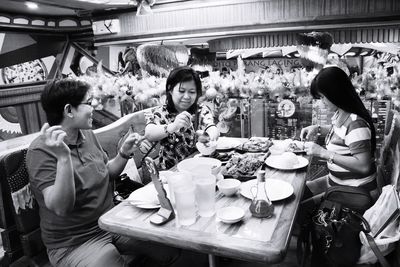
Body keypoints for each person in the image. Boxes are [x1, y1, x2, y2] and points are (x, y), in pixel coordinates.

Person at [26, 79, 181, 267]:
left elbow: (106, 173)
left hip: (111, 222)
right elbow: (61, 207)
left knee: (172, 248)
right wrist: (64, 159)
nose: (95, 107)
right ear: (69, 110)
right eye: (89, 103)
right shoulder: (41, 150)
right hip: (74, 243)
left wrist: (123, 152)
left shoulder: (87, 134)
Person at [300, 66, 378, 201]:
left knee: (298, 211)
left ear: (335, 93)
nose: (322, 102)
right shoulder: (341, 114)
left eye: (323, 97)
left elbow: (363, 166)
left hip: (355, 193)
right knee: (298, 193)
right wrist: (317, 128)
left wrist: (323, 153)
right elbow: (342, 136)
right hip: (335, 182)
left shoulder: (355, 123)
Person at [144, 66, 219, 170]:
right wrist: (172, 127)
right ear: (170, 89)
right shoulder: (161, 113)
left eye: (192, 92)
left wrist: (209, 137)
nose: (187, 96)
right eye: (181, 91)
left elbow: (212, 127)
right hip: (171, 173)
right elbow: (149, 133)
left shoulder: (200, 110)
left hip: (199, 168)